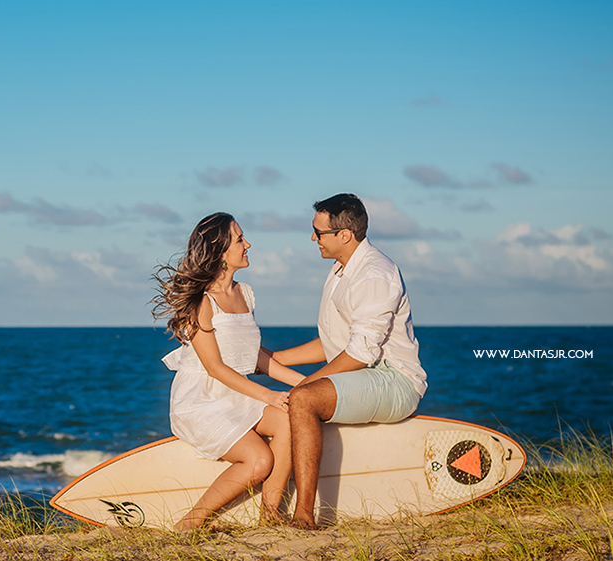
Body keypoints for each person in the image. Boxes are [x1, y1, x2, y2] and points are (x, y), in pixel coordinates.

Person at [271, 193, 427, 529]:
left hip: (395, 379)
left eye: (319, 232)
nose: (313, 238)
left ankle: (304, 516)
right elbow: (335, 344)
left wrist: (306, 386)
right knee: (299, 396)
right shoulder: (341, 270)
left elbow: (360, 353)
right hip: (366, 372)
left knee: (303, 399)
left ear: (344, 235)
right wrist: (274, 359)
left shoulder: (374, 274)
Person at [153, 212, 306, 530]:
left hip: (237, 394)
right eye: (240, 239)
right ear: (221, 252)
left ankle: (270, 516)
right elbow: (215, 368)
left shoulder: (245, 293)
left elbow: (255, 357)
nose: (248, 244)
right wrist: (269, 396)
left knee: (291, 418)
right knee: (260, 460)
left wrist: (308, 384)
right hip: (202, 401)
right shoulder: (201, 303)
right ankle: (190, 523)